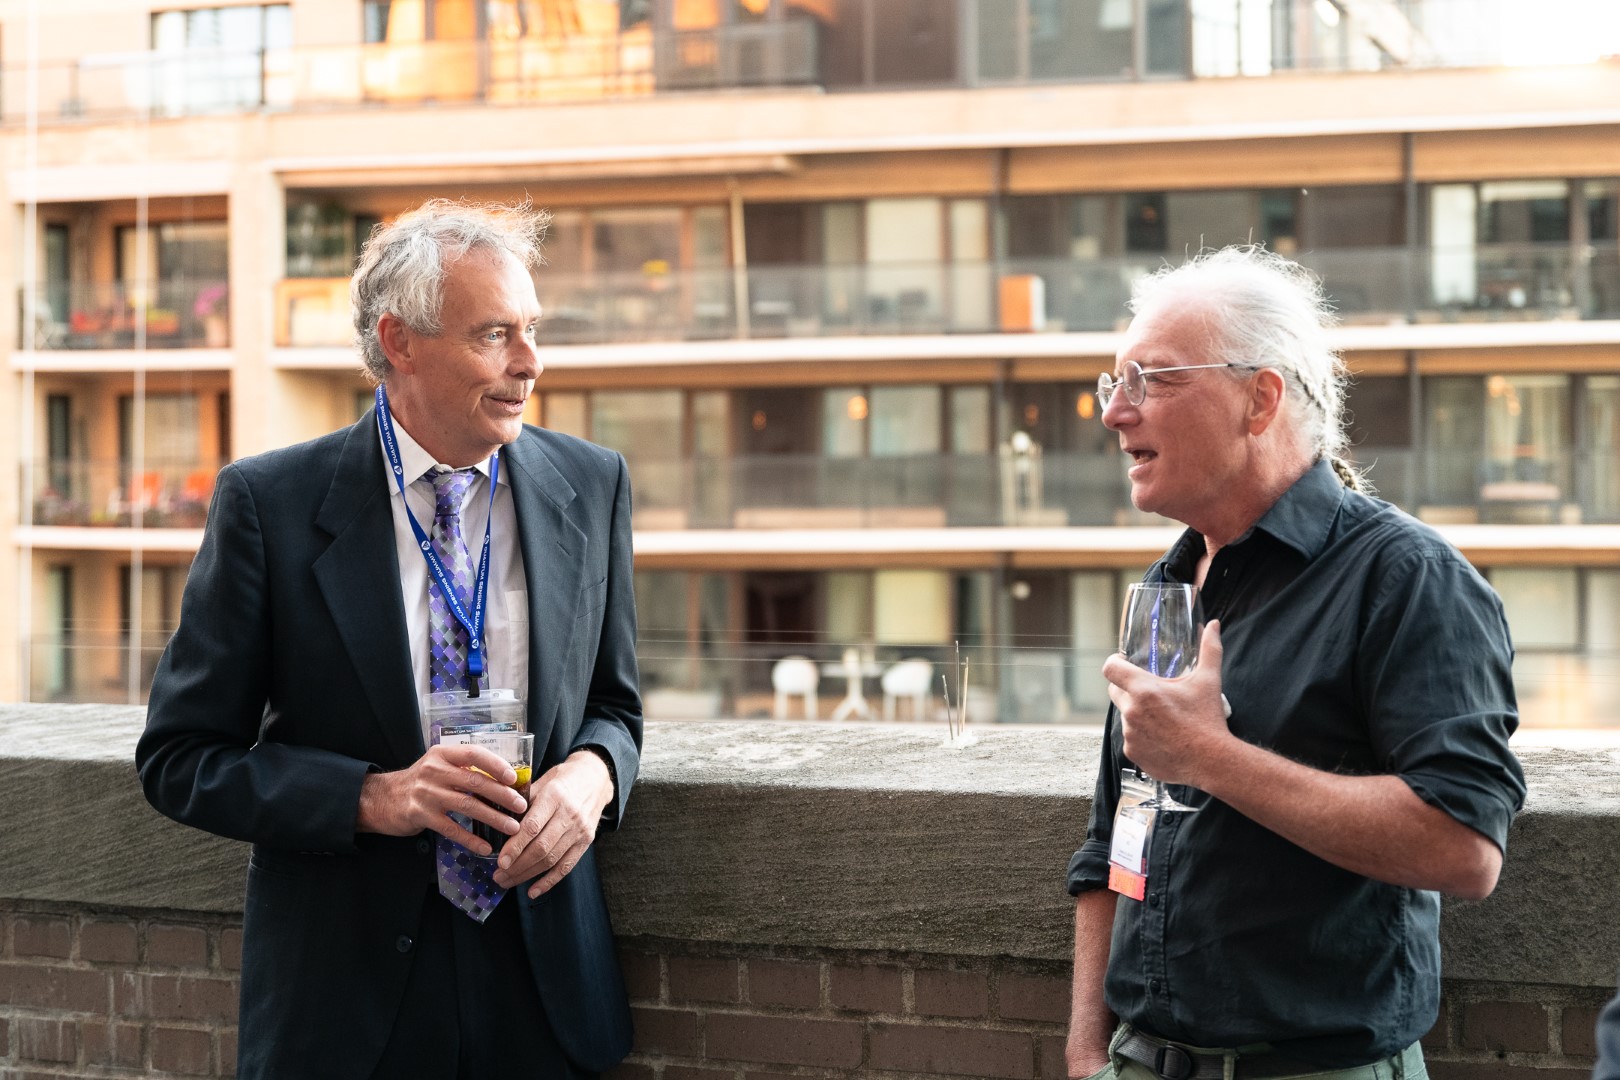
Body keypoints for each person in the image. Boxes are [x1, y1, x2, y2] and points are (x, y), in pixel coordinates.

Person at [136, 199, 642, 1080]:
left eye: (531, 330)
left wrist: (592, 778)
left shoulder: (592, 484)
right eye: (495, 335)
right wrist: (377, 797)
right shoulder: (268, 506)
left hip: (545, 984)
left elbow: (615, 706)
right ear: (400, 342)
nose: (530, 362)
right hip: (347, 1001)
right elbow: (180, 759)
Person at [1065, 247, 1526, 1080]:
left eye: (1150, 380)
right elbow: (1115, 834)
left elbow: (1464, 846)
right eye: (1114, 382)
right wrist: (1087, 1052)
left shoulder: (1406, 576)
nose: (1115, 413)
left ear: (1260, 398)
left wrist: (1211, 757)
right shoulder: (1167, 584)